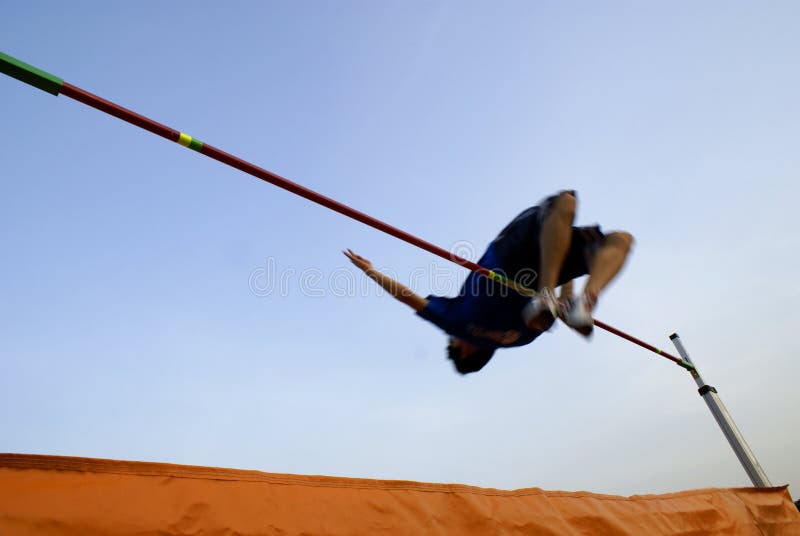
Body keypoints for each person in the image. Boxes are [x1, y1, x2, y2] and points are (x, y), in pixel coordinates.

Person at [343, 190, 633, 375]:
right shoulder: (457, 326)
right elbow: (406, 296)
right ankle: (586, 295)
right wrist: (370, 270)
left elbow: (554, 311)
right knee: (571, 207)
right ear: (464, 351)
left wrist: (564, 295)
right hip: (511, 256)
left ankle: (584, 299)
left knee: (610, 239)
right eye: (452, 346)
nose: (451, 341)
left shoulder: (520, 340)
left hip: (546, 271)